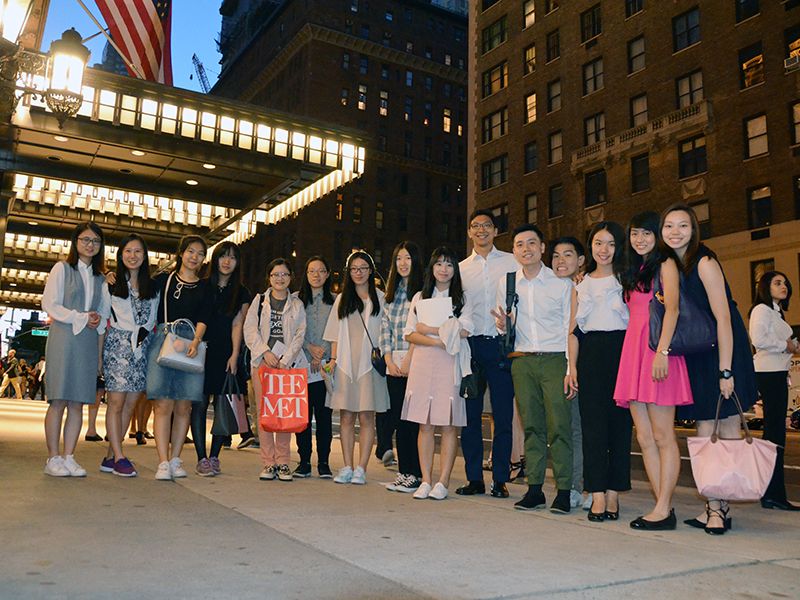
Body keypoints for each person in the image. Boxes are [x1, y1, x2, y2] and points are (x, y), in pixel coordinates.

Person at [661, 204, 758, 534]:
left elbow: (725, 319)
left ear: (694, 229)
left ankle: (718, 509)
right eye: (669, 226)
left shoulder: (704, 261)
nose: (676, 232)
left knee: (721, 433)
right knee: (709, 433)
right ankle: (715, 506)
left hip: (723, 352)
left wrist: (726, 371)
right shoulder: (673, 264)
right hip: (699, 353)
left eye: (683, 226)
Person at [614, 211, 693, 530]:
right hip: (633, 353)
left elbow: (673, 309)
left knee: (663, 436)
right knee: (644, 437)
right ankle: (663, 507)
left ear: (656, 236)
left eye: (647, 233)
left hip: (659, 352)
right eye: (635, 233)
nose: (640, 239)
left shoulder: (666, 265)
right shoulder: (633, 269)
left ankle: (663, 508)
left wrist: (662, 351)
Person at [493, 225, 573, 513]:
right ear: (514, 251)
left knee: (560, 427)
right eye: (519, 244)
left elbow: (569, 326)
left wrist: (569, 367)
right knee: (532, 428)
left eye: (531, 243)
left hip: (555, 359)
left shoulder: (561, 283)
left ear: (542, 248)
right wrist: (503, 326)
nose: (525, 248)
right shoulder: (508, 282)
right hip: (522, 359)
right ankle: (535, 489)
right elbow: (502, 321)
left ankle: (564, 490)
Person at [566, 222, 632, 522]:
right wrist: (571, 368)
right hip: (590, 355)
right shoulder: (579, 284)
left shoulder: (627, 280)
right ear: (589, 246)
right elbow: (573, 331)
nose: (603, 250)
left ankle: (615, 493)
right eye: (597, 243)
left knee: (619, 428)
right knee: (593, 430)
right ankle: (597, 495)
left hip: (623, 352)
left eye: (610, 244)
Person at [457, 210, 519, 498]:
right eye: (475, 226)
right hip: (470, 348)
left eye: (486, 226)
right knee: (469, 416)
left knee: (503, 414)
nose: (481, 230)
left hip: (501, 346)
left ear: (495, 231)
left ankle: (500, 479)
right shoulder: (460, 268)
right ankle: (474, 478)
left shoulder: (511, 261)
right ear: (469, 232)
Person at [404, 247, 473, 500]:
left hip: (450, 363)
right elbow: (410, 333)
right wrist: (438, 339)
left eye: (449, 265)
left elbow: (466, 330)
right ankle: (425, 480)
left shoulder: (462, 298)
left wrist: (428, 329)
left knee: (448, 424)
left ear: (455, 270)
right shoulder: (420, 297)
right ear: (431, 268)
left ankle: (443, 482)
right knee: (425, 423)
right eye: (439, 264)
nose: (444, 270)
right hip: (424, 361)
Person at [42, 222, 109, 477]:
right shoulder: (62, 268)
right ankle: (52, 458)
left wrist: (97, 323)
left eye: (95, 241)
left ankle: (69, 456)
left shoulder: (101, 277)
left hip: (88, 342)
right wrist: (80, 317)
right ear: (76, 242)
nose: (90, 245)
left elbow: (103, 313)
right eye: (85, 240)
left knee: (79, 402)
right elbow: (49, 303)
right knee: (58, 399)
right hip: (64, 337)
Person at [146, 235, 213, 481]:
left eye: (200, 254)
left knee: (185, 404)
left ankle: (175, 458)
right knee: (163, 403)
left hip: (192, 344)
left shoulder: (205, 287)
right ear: (181, 253)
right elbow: (137, 286)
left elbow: (205, 316)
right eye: (191, 252)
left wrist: (196, 340)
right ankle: (162, 461)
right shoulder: (164, 280)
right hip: (164, 339)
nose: (195, 257)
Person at [323, 250, 390, 485]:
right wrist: (332, 361)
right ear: (348, 272)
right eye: (354, 269)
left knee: (367, 416)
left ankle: (362, 468)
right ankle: (347, 466)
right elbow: (333, 334)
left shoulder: (381, 298)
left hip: (369, 365)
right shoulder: (342, 299)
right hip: (344, 364)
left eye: (363, 268)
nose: (358, 273)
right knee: (346, 416)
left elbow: (386, 333)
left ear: (371, 271)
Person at [98, 234, 160, 477]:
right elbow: (103, 321)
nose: (132, 256)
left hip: (142, 348)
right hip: (117, 346)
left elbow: (154, 320)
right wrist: (99, 357)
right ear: (120, 255)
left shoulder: (153, 287)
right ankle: (120, 457)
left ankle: (110, 456)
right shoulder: (111, 284)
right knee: (115, 403)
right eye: (128, 251)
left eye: (137, 252)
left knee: (131, 404)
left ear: (144, 256)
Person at [244, 258, 307, 482]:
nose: (279, 279)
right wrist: (265, 352)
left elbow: (300, 335)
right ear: (269, 278)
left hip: (286, 366)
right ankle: (268, 463)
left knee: (284, 414)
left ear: (291, 277)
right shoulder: (259, 301)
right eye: (275, 275)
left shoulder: (297, 304)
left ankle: (283, 463)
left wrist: (286, 359)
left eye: (284, 274)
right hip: (263, 364)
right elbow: (249, 329)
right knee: (265, 414)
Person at [193, 242, 252, 477]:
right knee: (197, 405)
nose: (227, 262)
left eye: (233, 258)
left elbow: (238, 324)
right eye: (223, 257)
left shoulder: (242, 292)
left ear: (238, 263)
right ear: (215, 259)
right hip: (200, 350)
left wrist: (235, 355)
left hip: (225, 352)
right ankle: (201, 458)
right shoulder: (202, 286)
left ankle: (215, 456)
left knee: (222, 406)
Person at [749, 271, 800, 511]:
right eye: (777, 282)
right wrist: (785, 345)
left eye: (785, 282)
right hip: (768, 374)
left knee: (775, 433)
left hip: (777, 373)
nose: (784, 286)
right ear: (765, 286)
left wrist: (792, 346)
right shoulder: (762, 309)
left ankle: (772, 493)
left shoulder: (776, 312)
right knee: (774, 433)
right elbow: (758, 338)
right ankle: (772, 494)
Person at [379, 241, 425, 492]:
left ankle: (416, 473)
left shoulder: (422, 292)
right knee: (398, 418)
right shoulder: (391, 292)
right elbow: (384, 328)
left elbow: (420, 327)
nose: (403, 263)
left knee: (413, 421)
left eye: (407, 258)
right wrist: (387, 358)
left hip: (415, 362)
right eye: (399, 259)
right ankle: (404, 472)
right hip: (393, 365)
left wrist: (409, 358)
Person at [550, 236, 588, 510]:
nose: (560, 261)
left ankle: (590, 488)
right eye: (555, 256)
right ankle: (575, 486)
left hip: (590, 361)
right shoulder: (550, 287)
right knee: (571, 428)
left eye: (567, 255)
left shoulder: (587, 285)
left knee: (589, 429)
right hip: (565, 366)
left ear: (581, 260)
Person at [294, 256, 336, 478]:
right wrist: (310, 348)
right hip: (301, 365)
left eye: (321, 271)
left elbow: (339, 330)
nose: (316, 275)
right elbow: (291, 331)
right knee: (302, 417)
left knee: (324, 417)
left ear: (328, 274)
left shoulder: (336, 301)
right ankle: (303, 461)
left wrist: (322, 351)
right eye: (312, 271)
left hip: (325, 368)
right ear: (306, 274)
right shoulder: (295, 301)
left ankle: (324, 462)